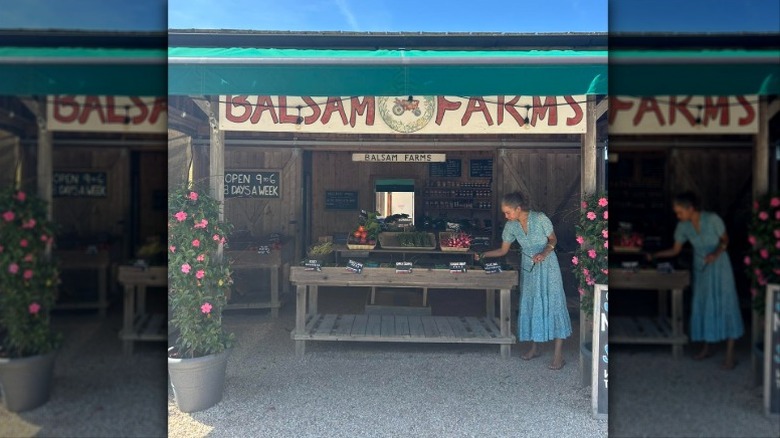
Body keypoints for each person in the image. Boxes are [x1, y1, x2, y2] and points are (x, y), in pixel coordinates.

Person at [475, 192, 572, 370]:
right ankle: (534, 348)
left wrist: (544, 253)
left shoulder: (540, 218)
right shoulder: (511, 226)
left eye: (508, 212)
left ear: (518, 209)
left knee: (554, 304)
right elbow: (503, 251)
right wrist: (482, 254)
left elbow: (553, 239)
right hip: (529, 268)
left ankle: (558, 355)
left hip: (548, 265)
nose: (506, 216)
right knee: (532, 305)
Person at [648, 191, 743, 370]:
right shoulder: (683, 227)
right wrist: (654, 255)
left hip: (720, 265)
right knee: (704, 304)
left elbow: (725, 240)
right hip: (701, 267)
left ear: (690, 208)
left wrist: (715, 253)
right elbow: (675, 250)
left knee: (726, 304)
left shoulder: (712, 219)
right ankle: (707, 347)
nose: (678, 215)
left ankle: (730, 354)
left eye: (680, 212)